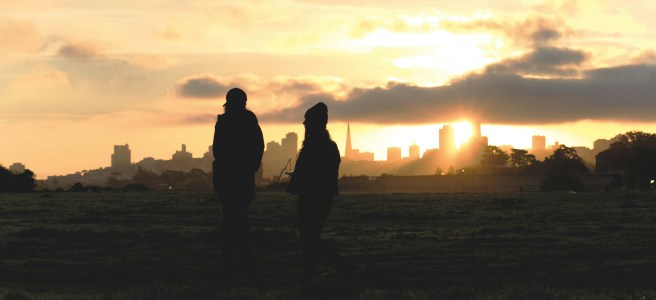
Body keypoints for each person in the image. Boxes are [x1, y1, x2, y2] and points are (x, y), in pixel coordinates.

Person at [287, 102, 344, 277]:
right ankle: (327, 267)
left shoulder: (311, 147)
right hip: (325, 197)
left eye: (307, 120)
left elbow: (309, 173)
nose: (304, 124)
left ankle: (326, 267)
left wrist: (296, 181)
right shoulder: (330, 146)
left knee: (308, 237)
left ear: (314, 123)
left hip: (310, 197)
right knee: (312, 236)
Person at [212, 87, 264, 281]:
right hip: (240, 179)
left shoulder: (224, 122)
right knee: (237, 221)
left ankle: (235, 264)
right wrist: (249, 168)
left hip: (229, 179)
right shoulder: (249, 121)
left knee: (233, 221)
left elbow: (218, 151)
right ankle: (243, 264)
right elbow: (258, 147)